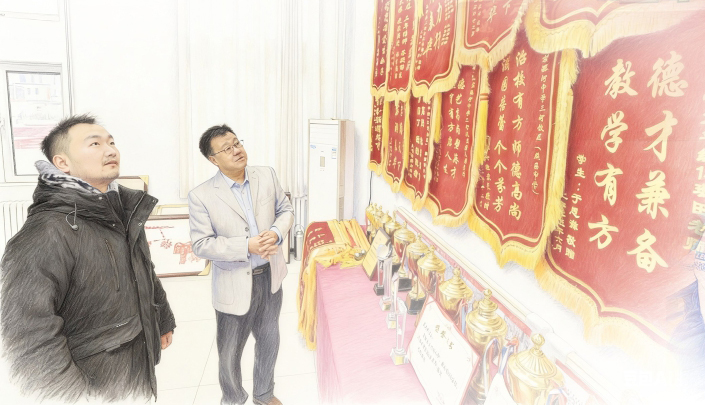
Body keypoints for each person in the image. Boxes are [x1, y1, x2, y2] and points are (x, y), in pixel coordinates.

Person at [0, 114, 176, 402]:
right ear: (62, 163)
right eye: (95, 144)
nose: (110, 150)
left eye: (111, 142)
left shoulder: (123, 211)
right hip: (95, 383)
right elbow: (27, 340)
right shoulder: (45, 232)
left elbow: (144, 268)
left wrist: (162, 318)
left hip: (134, 367)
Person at [188, 124, 293, 405]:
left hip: (269, 276)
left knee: (269, 340)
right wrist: (246, 246)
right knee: (230, 352)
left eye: (237, 143)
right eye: (227, 148)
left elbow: (285, 210)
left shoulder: (266, 175)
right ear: (213, 159)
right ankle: (233, 399)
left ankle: (264, 395)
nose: (236, 150)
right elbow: (202, 244)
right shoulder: (201, 195)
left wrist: (276, 232)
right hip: (233, 283)